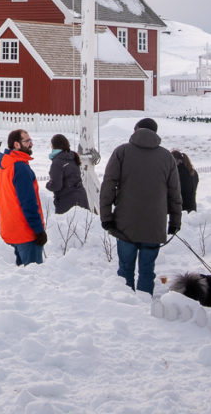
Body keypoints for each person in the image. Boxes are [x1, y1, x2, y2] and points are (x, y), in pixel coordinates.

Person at [100, 117, 182, 296]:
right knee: (147, 270)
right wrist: (175, 221)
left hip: (125, 223)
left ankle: (127, 305)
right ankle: (145, 306)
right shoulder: (167, 157)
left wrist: (106, 217)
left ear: (136, 130)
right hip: (154, 224)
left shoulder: (121, 152)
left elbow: (108, 185)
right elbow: (175, 193)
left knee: (125, 269)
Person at [0, 128, 47, 266]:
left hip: (9, 230)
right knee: (32, 277)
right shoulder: (20, 168)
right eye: (27, 141)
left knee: (19, 281)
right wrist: (38, 230)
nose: (31, 144)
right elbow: (28, 202)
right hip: (25, 233)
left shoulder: (4, 166)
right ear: (16, 144)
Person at [46, 134, 89, 214]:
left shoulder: (57, 162)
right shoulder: (73, 156)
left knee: (68, 226)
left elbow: (56, 186)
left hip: (67, 201)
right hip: (81, 197)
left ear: (53, 146)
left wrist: (48, 185)